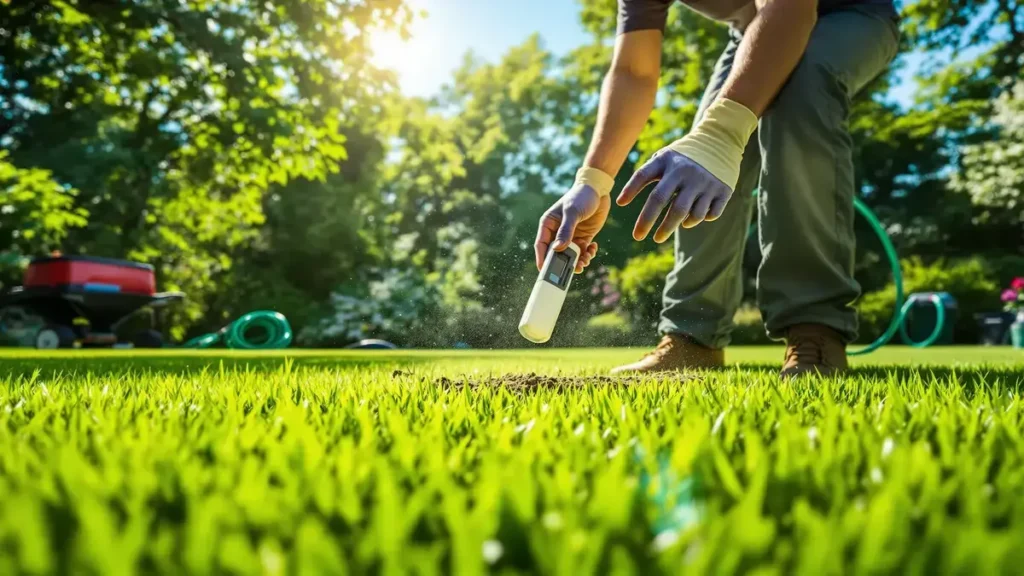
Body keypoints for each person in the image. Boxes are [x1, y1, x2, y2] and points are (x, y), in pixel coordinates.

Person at [534, 0, 899, 377]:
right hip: (750, 32)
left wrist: (722, 134)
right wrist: (592, 181)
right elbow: (633, 71)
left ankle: (815, 327)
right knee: (695, 159)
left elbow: (790, 10)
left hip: (849, 14)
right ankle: (693, 337)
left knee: (800, 89)